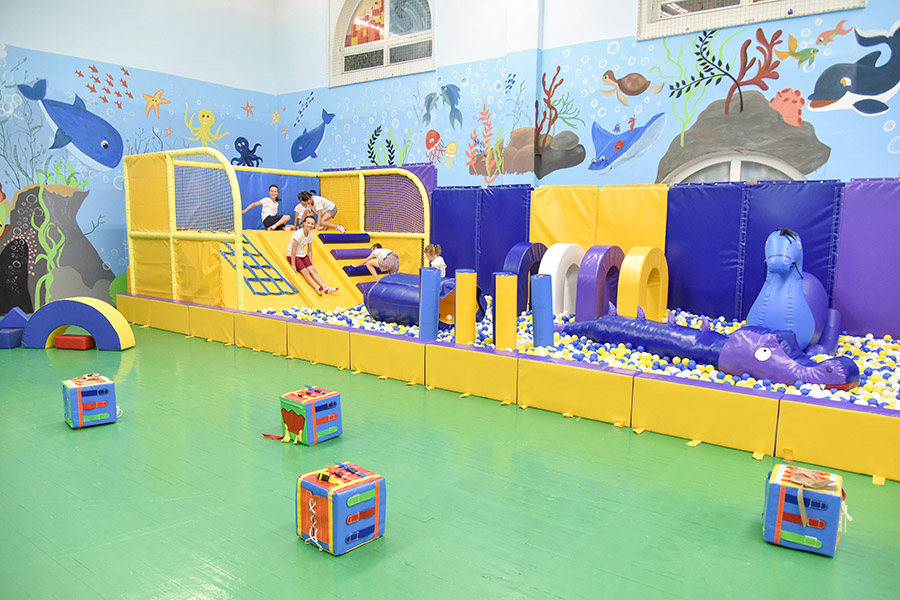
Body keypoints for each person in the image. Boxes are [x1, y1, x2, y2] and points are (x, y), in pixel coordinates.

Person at [286, 215, 339, 295]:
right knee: (305, 271)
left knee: (312, 270)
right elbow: (293, 249)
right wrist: (293, 265)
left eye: (312, 224)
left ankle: (325, 287)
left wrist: (310, 263)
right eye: (308, 223)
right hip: (293, 255)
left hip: (302, 254)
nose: (310, 225)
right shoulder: (299, 233)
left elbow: (310, 250)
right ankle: (317, 288)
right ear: (304, 223)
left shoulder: (310, 235)